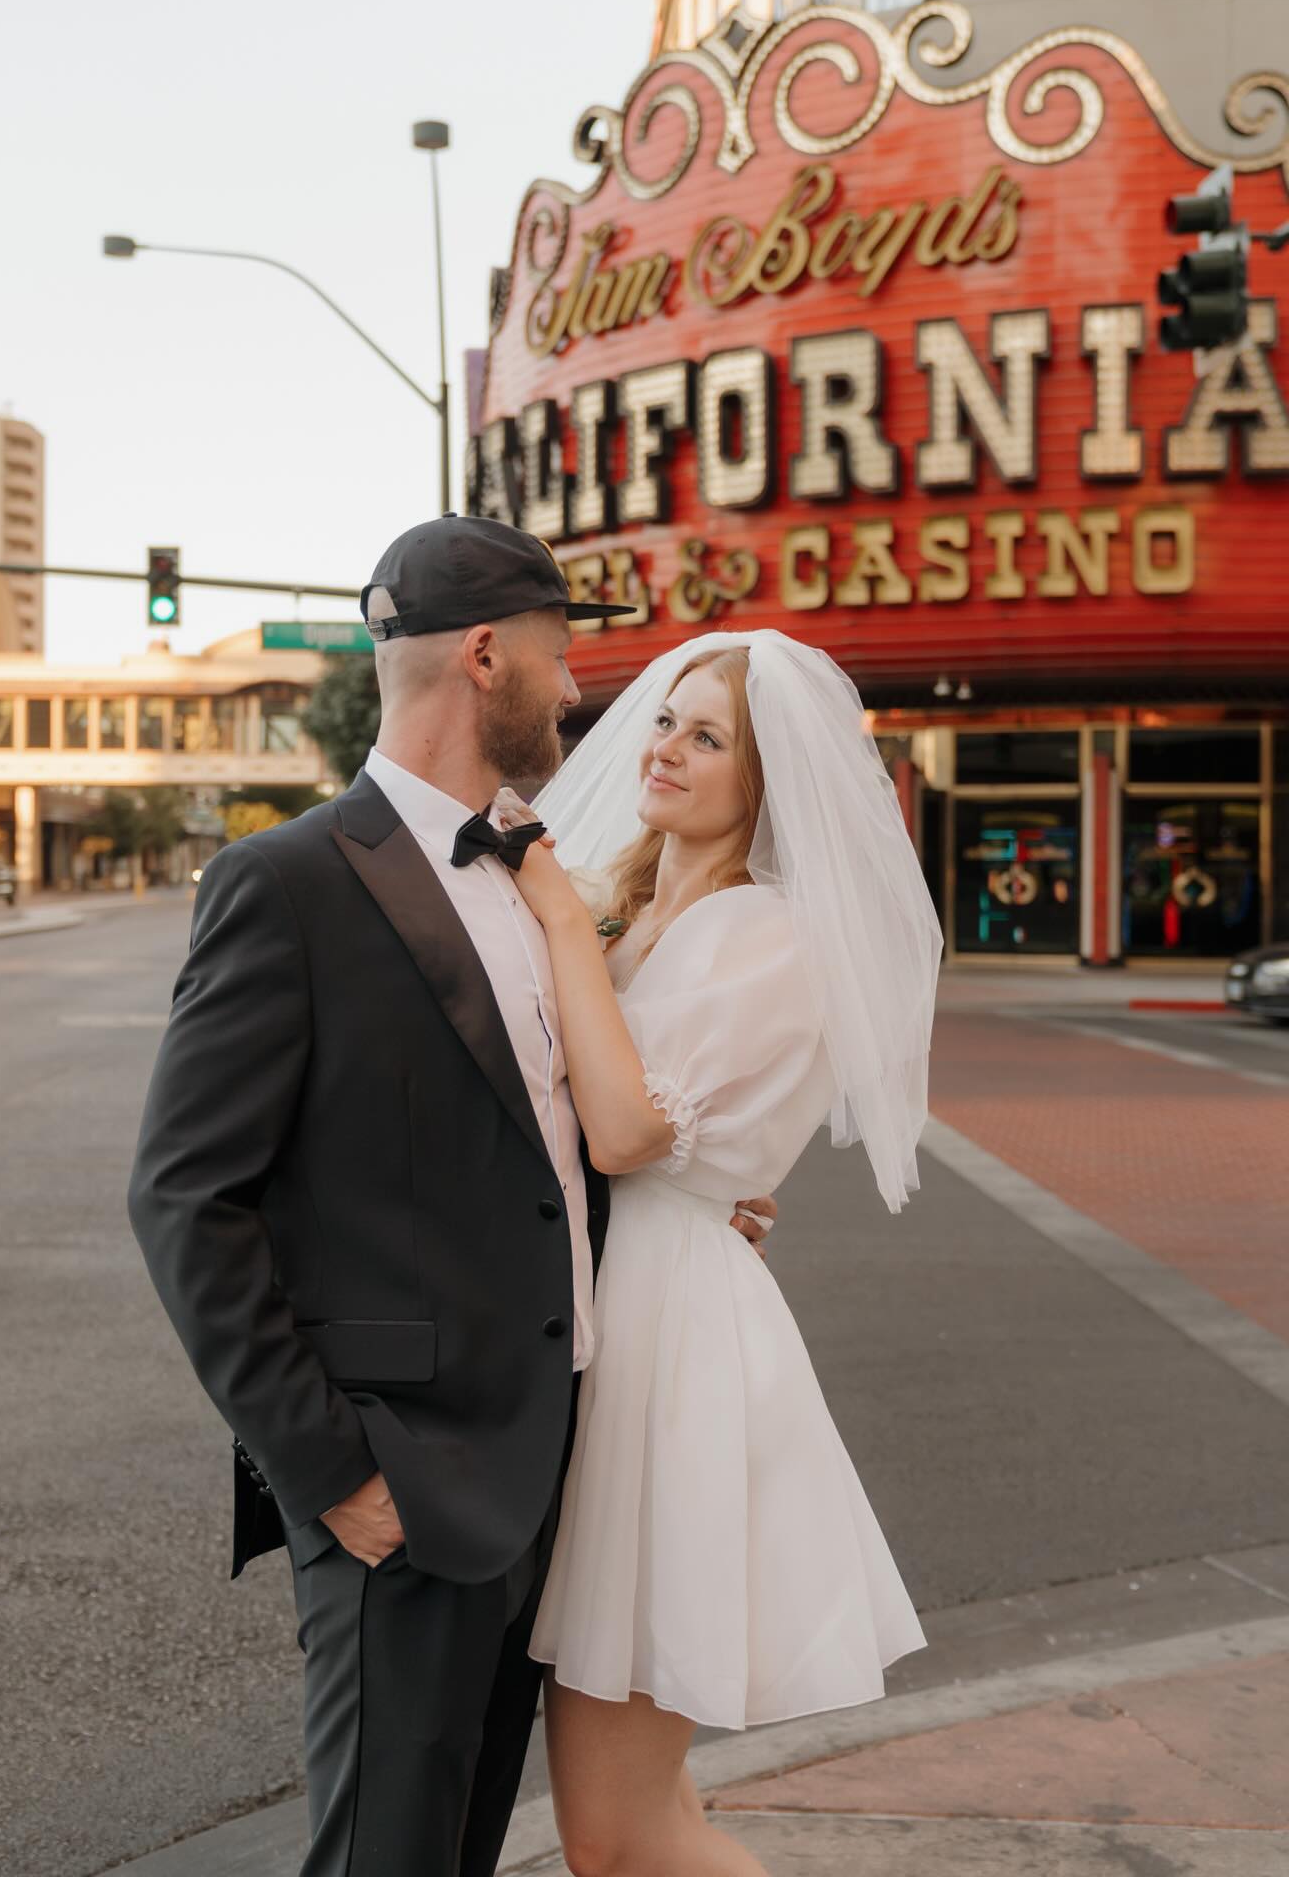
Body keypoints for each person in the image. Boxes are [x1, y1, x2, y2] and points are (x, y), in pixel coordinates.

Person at [125, 514, 777, 1877]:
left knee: (460, 1849)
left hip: (552, 1475)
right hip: (402, 1488)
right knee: (387, 1855)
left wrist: (683, 1206)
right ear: (487, 656)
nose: (578, 690)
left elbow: (545, 1150)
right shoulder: (287, 885)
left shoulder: (555, 889)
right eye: (557, 655)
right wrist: (333, 1473)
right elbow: (188, 1202)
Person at [494, 630, 942, 1877]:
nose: (665, 750)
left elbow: (635, 1132)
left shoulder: (766, 932)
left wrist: (557, 923)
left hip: (672, 1357)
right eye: (663, 721)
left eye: (708, 737)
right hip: (627, 1318)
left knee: (616, 1837)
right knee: (655, 1815)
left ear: (770, 781)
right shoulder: (633, 911)